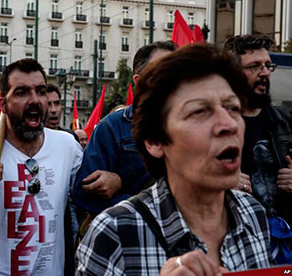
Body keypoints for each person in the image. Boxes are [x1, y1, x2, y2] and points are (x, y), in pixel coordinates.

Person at [76, 44, 272, 275]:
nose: (228, 124)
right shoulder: (115, 231)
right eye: (200, 112)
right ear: (155, 141)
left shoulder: (254, 214)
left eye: (233, 109)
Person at [0, 58, 82, 275]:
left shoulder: (67, 146)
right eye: (21, 93)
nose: (34, 100)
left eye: (40, 91)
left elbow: (88, 196)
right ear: (2, 104)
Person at [73, 41, 176, 219]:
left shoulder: (192, 126)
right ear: (139, 81)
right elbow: (84, 194)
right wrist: (146, 210)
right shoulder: (112, 127)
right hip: (134, 240)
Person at [224, 34, 292, 263]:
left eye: (267, 65)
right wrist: (222, 184)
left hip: (283, 242)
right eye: (254, 66)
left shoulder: (283, 122)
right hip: (232, 243)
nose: (264, 73)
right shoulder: (214, 125)